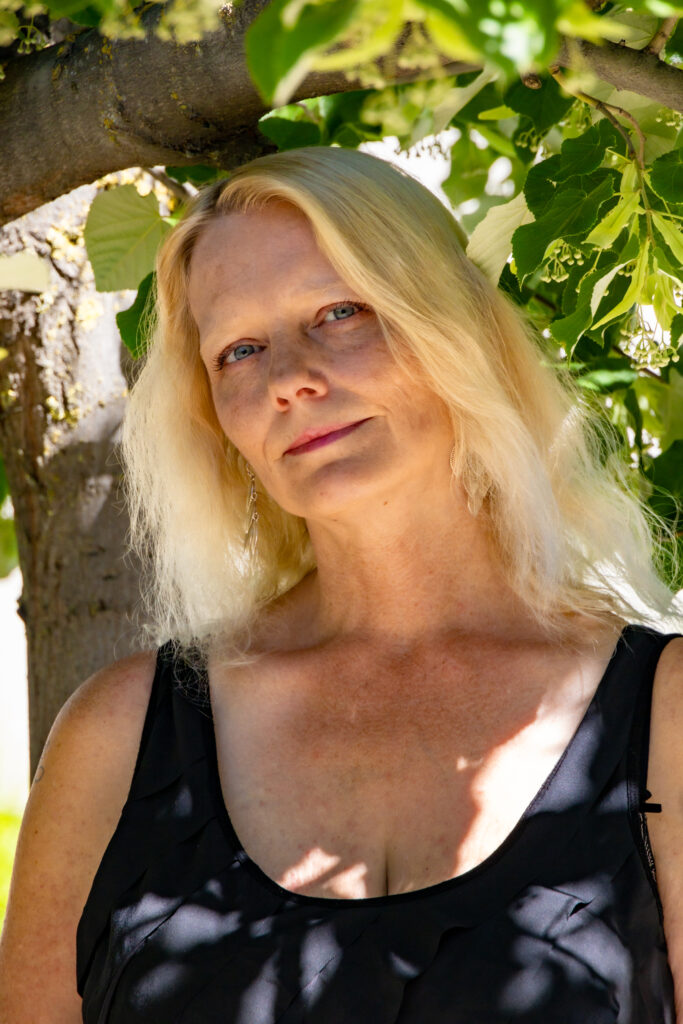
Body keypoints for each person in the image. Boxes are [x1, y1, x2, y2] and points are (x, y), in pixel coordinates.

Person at [0, 146, 681, 1024]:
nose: (288, 379)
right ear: (217, 420)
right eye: (239, 350)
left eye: (339, 312)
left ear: (455, 331)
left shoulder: (662, 716)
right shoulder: (119, 733)